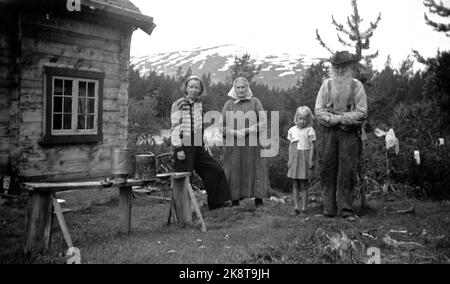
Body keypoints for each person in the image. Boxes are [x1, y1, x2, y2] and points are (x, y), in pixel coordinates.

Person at [314, 51, 368, 222]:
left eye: (343, 66)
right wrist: (332, 120)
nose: (340, 69)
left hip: (349, 133)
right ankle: (328, 209)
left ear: (349, 67)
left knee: (347, 170)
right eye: (336, 66)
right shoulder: (326, 85)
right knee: (327, 169)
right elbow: (318, 110)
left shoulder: (356, 86)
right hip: (329, 133)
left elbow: (361, 112)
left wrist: (340, 118)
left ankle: (346, 210)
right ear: (332, 67)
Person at [170, 76, 232, 210]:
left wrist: (204, 145)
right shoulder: (178, 104)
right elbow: (175, 127)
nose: (193, 90)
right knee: (185, 177)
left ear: (200, 90)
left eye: (196, 87)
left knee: (215, 169)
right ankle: (182, 211)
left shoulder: (199, 105)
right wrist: (178, 148)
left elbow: (199, 128)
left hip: (197, 144)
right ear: (186, 88)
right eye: (191, 87)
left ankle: (217, 203)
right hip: (183, 144)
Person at [221, 77, 271, 208]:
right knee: (234, 169)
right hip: (234, 144)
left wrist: (249, 129)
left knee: (256, 169)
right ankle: (235, 200)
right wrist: (233, 132)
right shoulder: (229, 104)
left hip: (252, 143)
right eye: (238, 87)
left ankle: (258, 199)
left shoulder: (255, 102)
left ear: (247, 88)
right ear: (234, 89)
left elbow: (263, 121)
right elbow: (222, 126)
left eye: (243, 87)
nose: (241, 90)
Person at [287, 106, 316, 216]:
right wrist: (290, 160)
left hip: (305, 157)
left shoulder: (310, 130)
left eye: (305, 119)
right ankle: (296, 207)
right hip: (295, 158)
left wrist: (310, 160)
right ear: (296, 118)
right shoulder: (292, 130)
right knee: (295, 183)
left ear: (308, 119)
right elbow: (291, 146)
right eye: (300, 118)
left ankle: (304, 208)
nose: (302, 121)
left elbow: (312, 146)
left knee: (303, 184)